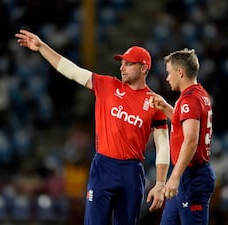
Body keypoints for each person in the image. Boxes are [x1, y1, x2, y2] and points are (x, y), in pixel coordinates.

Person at [15, 29, 170, 225]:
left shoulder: (155, 103)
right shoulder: (107, 85)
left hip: (131, 172)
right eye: (122, 63)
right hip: (103, 167)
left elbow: (163, 144)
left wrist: (161, 182)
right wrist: (42, 47)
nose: (122, 67)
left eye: (129, 64)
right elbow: (71, 70)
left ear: (144, 68)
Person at [148, 48, 216, 225]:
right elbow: (185, 123)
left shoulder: (189, 101)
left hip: (192, 176)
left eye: (169, 73)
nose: (167, 78)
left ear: (180, 72)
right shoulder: (198, 94)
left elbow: (191, 140)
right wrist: (166, 108)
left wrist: (175, 177)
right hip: (187, 174)